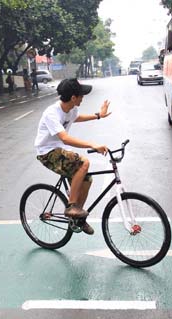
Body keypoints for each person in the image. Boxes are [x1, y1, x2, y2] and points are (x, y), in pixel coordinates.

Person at [34, 78, 111, 235]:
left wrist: (98, 115)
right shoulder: (51, 113)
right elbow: (65, 138)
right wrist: (92, 144)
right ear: (73, 97)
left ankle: (78, 218)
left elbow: (77, 118)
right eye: (81, 95)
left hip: (59, 150)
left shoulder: (71, 109)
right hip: (47, 153)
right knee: (84, 162)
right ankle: (71, 206)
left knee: (87, 180)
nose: (83, 97)